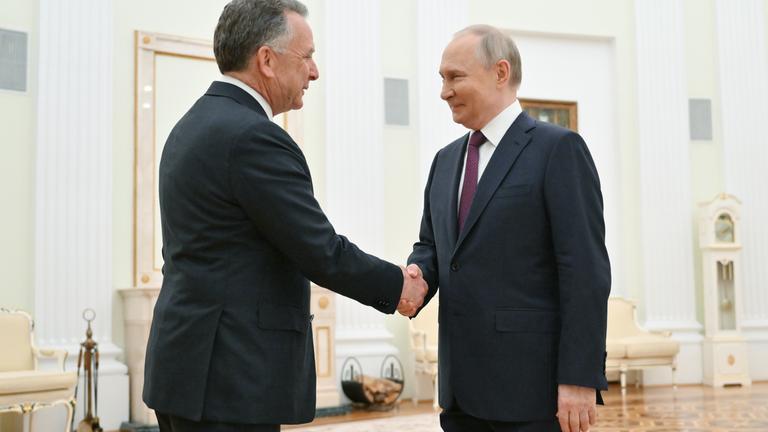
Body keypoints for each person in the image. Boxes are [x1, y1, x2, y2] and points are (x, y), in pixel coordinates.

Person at [142, 1, 427, 431]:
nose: (315, 71)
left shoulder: (191, 124)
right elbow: (319, 250)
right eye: (307, 56)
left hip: (187, 367)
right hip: (231, 376)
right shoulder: (254, 137)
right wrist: (398, 287)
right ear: (267, 60)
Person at [407, 25, 611, 432]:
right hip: (460, 393)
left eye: (455, 77)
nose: (444, 91)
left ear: (500, 72)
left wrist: (578, 377)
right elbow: (433, 246)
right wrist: (416, 277)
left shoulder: (558, 150)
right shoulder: (444, 162)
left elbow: (584, 271)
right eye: (441, 79)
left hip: (531, 393)